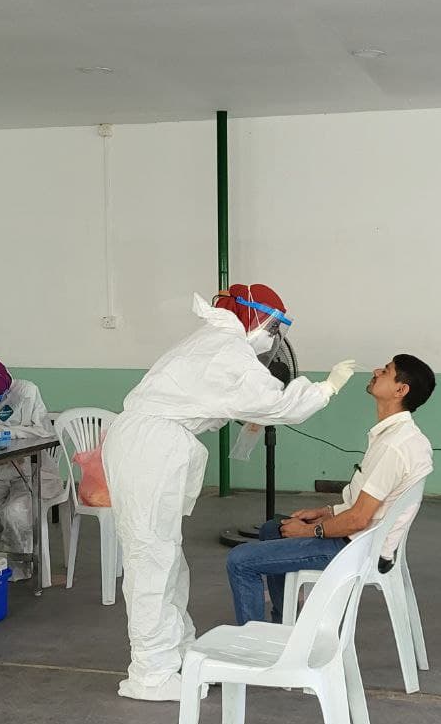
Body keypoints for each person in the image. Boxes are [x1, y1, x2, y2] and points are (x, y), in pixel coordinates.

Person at [102, 285, 356, 701]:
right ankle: (150, 674)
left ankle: (177, 652)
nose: (274, 337)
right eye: (274, 325)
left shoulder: (213, 342)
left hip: (151, 443)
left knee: (164, 556)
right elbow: (276, 404)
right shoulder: (226, 349)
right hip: (150, 448)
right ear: (252, 315)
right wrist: (324, 389)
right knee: (151, 558)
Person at [226, 354, 435, 625]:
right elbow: (368, 507)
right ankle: (284, 626)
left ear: (400, 390)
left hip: (352, 548)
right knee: (272, 529)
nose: (375, 370)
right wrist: (326, 512)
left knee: (240, 560)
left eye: (386, 371)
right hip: (364, 539)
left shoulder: (393, 447)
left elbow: (358, 519)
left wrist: (310, 530)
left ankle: (253, 649)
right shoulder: (401, 436)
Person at [0, 351, 59, 577]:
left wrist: (7, 433)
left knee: (15, 513)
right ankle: (15, 553)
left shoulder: (27, 392)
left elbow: (44, 432)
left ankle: (24, 563)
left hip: (29, 472)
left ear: (8, 389)